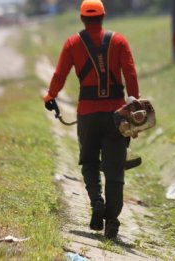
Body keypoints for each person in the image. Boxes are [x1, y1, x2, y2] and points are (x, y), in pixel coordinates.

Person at [43, 0, 140, 240]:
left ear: (82, 18)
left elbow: (60, 74)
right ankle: (112, 220)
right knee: (115, 170)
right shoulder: (119, 41)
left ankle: (97, 203)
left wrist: (50, 96)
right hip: (117, 115)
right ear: (103, 17)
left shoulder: (72, 43)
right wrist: (133, 103)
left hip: (87, 114)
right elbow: (130, 74)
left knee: (88, 162)